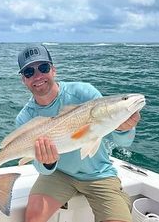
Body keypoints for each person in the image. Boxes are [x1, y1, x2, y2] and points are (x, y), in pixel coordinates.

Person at [16, 44, 141, 222]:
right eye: (29, 72)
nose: (37, 76)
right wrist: (48, 163)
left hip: (99, 173)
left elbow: (124, 143)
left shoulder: (84, 92)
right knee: (32, 218)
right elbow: (39, 166)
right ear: (23, 80)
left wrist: (124, 127)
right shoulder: (24, 117)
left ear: (53, 70)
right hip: (58, 174)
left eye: (43, 68)